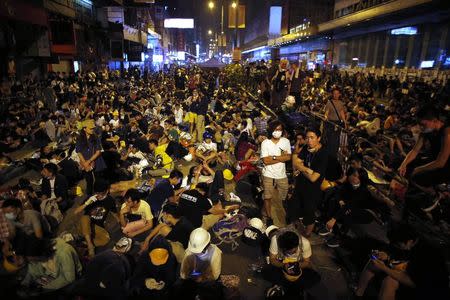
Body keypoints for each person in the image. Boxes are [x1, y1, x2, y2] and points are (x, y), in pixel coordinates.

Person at [354, 223, 449, 300]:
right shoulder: (407, 241)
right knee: (374, 262)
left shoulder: (426, 253)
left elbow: (412, 281)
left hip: (428, 290)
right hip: (408, 271)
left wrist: (384, 268)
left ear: (410, 241)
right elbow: (394, 251)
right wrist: (385, 255)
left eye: (398, 245)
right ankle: (358, 295)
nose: (397, 246)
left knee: (390, 282)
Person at [398, 105, 450, 187]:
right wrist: (404, 164)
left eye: (423, 124)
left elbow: (441, 162)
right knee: (402, 162)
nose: (420, 127)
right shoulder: (426, 131)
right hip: (434, 161)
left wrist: (418, 169)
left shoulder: (447, 132)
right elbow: (415, 150)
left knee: (417, 176)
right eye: (419, 124)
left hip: (445, 167)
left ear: (435, 121)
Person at [291, 127, 328, 237]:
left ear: (319, 138)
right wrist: (307, 169)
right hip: (301, 185)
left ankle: (307, 234)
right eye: (307, 138)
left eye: (312, 138)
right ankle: (296, 228)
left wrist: (301, 168)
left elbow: (313, 178)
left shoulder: (323, 154)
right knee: (295, 206)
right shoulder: (306, 149)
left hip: (312, 189)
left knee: (309, 212)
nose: (309, 141)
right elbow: (296, 162)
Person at [264, 226, 320, 299]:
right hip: (281, 263)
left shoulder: (305, 243)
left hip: (298, 265)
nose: (291, 254)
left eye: (293, 251)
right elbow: (272, 259)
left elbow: (306, 262)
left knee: (315, 277)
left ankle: (282, 287)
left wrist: (297, 265)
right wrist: (283, 265)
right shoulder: (275, 240)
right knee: (266, 270)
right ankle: (294, 289)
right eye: (287, 252)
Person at [74, 179, 117, 257]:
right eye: (97, 193)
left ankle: (84, 242)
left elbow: (114, 213)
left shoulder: (110, 200)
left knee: (106, 239)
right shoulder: (91, 198)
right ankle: (90, 246)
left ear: (107, 191)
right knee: (85, 218)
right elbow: (76, 212)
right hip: (84, 225)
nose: (98, 196)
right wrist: (86, 203)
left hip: (96, 227)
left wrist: (121, 221)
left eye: (101, 193)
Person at [260, 121, 291, 225]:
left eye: (280, 129)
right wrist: (280, 158)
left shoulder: (285, 141)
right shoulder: (265, 143)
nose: (277, 132)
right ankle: (269, 217)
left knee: (284, 197)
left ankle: (287, 215)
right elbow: (265, 161)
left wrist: (273, 157)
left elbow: (288, 157)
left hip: (282, 175)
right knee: (267, 197)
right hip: (268, 174)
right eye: (275, 129)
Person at [76, 119, 106, 195]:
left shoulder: (95, 137)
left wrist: (89, 161)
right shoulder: (79, 138)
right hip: (84, 161)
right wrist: (84, 163)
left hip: (96, 160)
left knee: (98, 180)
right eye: (90, 128)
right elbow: (78, 151)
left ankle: (100, 194)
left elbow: (98, 151)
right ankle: (89, 196)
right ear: (84, 129)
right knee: (89, 180)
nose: (92, 130)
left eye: (93, 128)